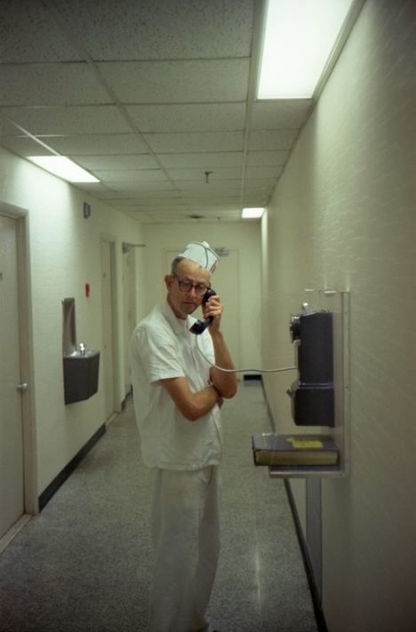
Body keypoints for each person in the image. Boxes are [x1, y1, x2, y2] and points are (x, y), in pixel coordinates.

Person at [130, 241, 237, 632]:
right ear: (169, 282)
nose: (192, 294)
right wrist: (216, 395)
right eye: (185, 284)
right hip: (177, 461)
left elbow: (231, 385)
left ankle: (193, 622)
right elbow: (191, 408)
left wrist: (219, 333)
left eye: (200, 288)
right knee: (175, 557)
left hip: (207, 455)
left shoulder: (200, 329)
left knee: (206, 551)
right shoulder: (153, 331)